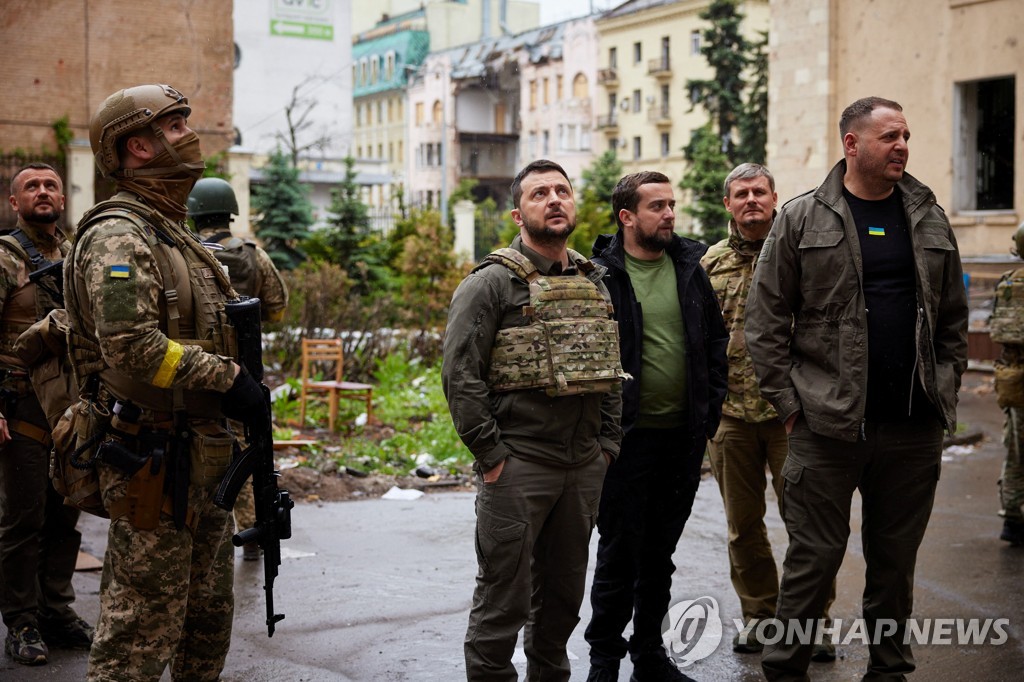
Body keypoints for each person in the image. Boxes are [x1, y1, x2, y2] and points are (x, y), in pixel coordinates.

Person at [745, 96, 969, 680]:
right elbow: (764, 324)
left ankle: (889, 668)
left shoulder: (927, 215)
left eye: (906, 135)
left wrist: (944, 384)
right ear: (852, 144)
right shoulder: (800, 219)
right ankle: (785, 667)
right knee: (813, 560)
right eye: (890, 136)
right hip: (826, 426)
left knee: (895, 562)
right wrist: (793, 410)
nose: (903, 146)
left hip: (912, 426)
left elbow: (952, 320)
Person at [68, 84, 270, 681]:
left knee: (205, 621)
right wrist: (228, 378)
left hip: (204, 454)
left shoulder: (171, 231)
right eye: (175, 124)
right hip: (151, 460)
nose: (190, 132)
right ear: (138, 145)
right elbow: (130, 347)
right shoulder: (119, 236)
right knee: (138, 633)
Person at [442, 159, 624, 682]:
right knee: (505, 598)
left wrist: (606, 447)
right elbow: (460, 375)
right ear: (518, 212)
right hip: (519, 465)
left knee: (564, 600)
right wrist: (493, 458)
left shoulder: (594, 281)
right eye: (540, 192)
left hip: (582, 465)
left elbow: (610, 370)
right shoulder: (491, 284)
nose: (554, 199)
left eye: (562, 190)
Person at [585, 171, 728, 682]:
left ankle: (649, 655)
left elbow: (715, 342)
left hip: (682, 439)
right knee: (619, 553)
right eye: (657, 206)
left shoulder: (689, 267)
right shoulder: (599, 274)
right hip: (625, 441)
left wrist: (709, 411)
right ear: (627, 217)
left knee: (660, 554)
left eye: (671, 204)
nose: (669, 214)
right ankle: (604, 662)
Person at [700, 163, 836, 661]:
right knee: (743, 526)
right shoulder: (709, 265)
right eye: (741, 193)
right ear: (728, 204)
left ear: (775, 197)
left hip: (793, 414)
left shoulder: (800, 254)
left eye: (760, 191)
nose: (751, 199)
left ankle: (811, 625)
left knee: (808, 525)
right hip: (731, 417)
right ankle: (759, 617)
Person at [0, 164, 93, 666]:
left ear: (63, 196)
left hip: (74, 409)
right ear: (15, 203)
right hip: (21, 406)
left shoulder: (80, 255)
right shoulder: (4, 257)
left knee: (66, 513)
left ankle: (56, 610)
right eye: (31, 186)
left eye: (50, 185)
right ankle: (22, 621)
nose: (42, 192)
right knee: (23, 519)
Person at [187, 177, 288, 561]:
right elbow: (277, 307)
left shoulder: (187, 252)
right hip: (245, 373)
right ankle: (253, 532)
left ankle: (203, 531)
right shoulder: (252, 254)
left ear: (193, 212)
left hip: (197, 371)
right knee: (251, 453)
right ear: (230, 212)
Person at [989, 222, 1024, 546]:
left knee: (1014, 449)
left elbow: (997, 330)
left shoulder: (1008, 283)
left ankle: (1013, 519)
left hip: (1014, 378)